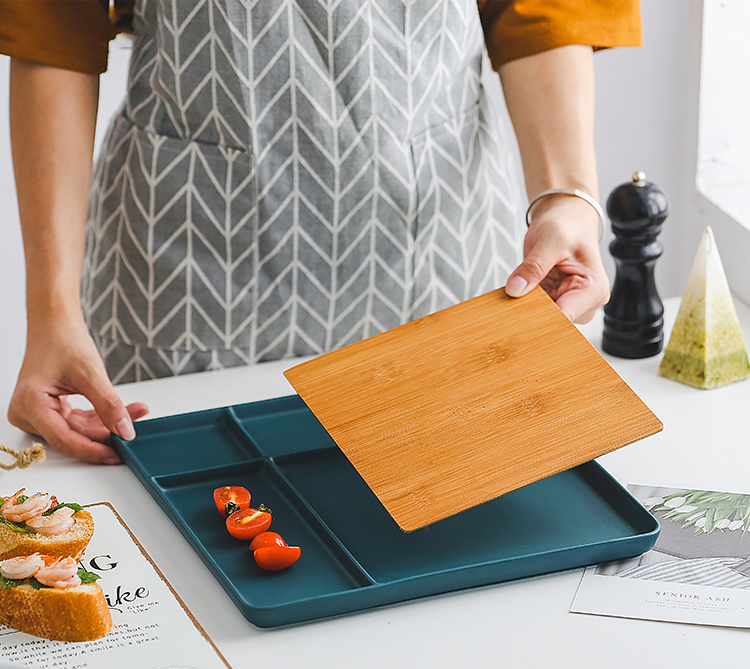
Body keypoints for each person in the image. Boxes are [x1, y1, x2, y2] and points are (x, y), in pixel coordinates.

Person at [0, 0, 642, 465]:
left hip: (440, 252)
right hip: (187, 268)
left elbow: (545, 8)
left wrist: (569, 198)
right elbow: (54, 25)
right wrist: (52, 311)